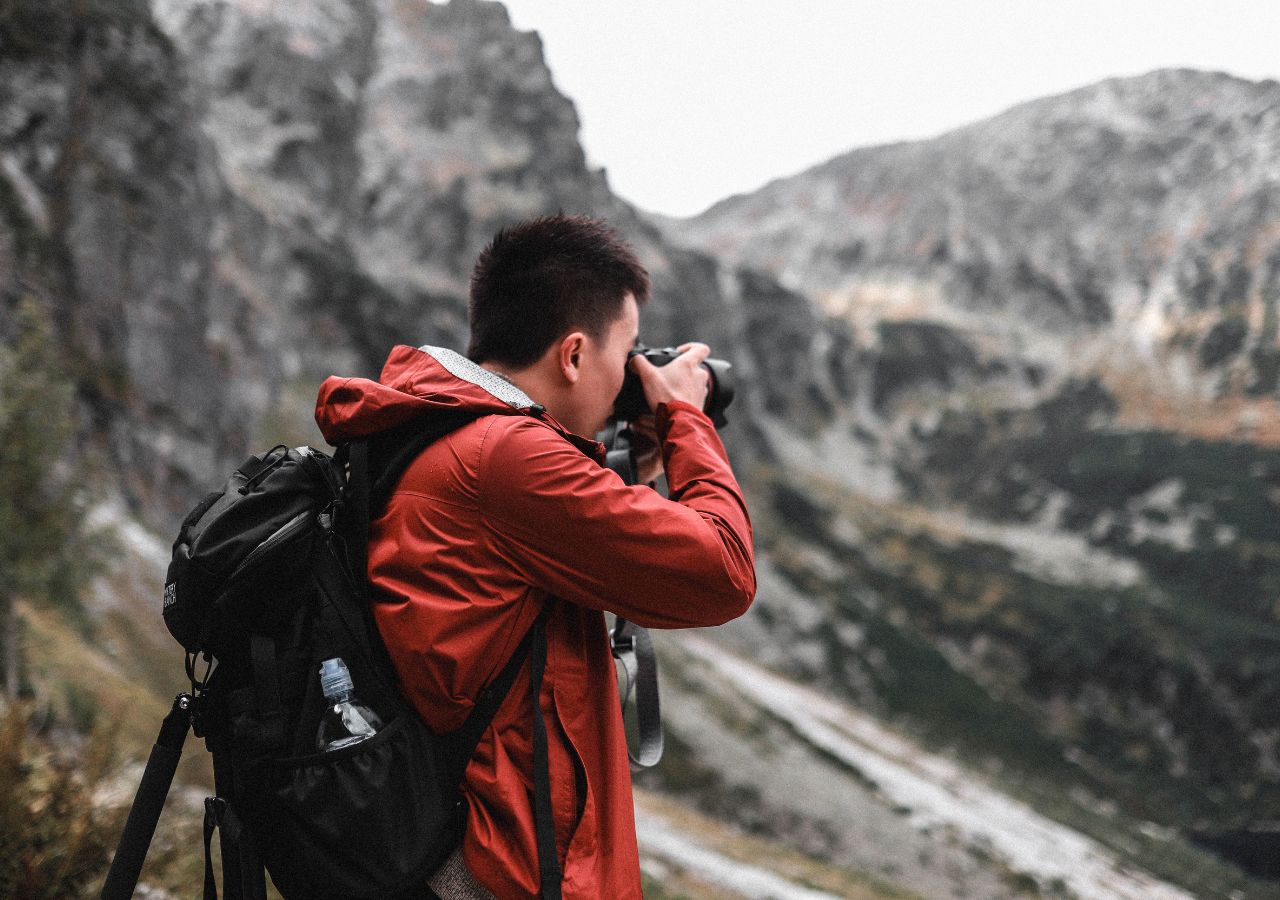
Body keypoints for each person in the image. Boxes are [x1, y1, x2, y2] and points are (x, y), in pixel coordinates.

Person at [314, 215, 756, 899]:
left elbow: (540, 551)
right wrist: (685, 421)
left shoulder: (446, 433)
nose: (632, 375)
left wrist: (628, 464)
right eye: (628, 350)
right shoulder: (506, 458)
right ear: (574, 355)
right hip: (508, 875)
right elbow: (723, 572)